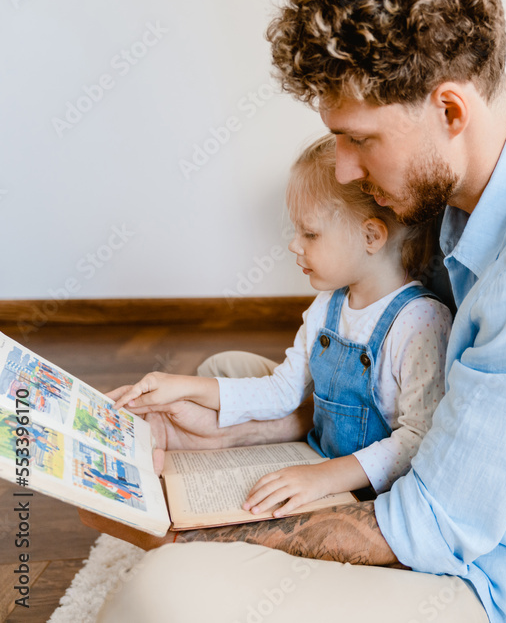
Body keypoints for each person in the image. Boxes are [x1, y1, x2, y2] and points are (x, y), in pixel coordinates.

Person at [88, 0, 506, 621]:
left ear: (450, 108)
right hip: (430, 481)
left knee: (161, 591)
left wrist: (199, 534)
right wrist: (234, 429)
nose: (345, 168)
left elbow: (426, 526)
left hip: (490, 582)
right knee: (225, 373)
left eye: (360, 140)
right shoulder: (467, 196)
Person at [112, 135, 452, 514]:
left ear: (371, 236)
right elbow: (281, 392)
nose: (294, 245)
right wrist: (180, 387)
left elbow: (420, 438)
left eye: (310, 233)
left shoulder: (421, 321)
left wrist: (324, 477)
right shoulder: (326, 307)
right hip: (317, 466)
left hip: (375, 498)